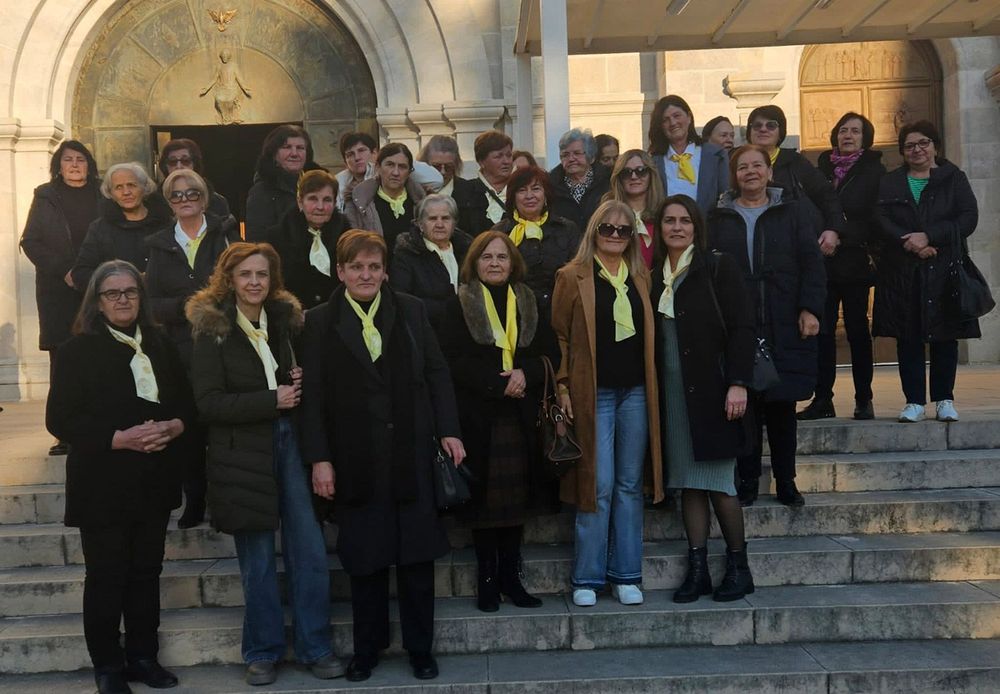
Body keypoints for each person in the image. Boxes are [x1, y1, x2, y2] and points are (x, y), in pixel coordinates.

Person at [299, 231, 465, 683]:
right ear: (341, 272)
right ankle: (366, 649)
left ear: (385, 270)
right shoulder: (318, 321)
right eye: (357, 267)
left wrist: (449, 429)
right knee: (365, 557)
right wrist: (320, 459)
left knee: (416, 557)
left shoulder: (410, 310)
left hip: (410, 451)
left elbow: (436, 371)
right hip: (354, 458)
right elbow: (311, 397)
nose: (366, 275)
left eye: (374, 266)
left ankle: (420, 648)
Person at [186, 243, 344, 686]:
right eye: (245, 275)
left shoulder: (284, 321)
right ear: (229, 279)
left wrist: (294, 381)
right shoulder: (212, 328)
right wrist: (269, 399)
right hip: (242, 451)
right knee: (256, 558)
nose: (254, 282)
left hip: (291, 441)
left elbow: (298, 383)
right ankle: (262, 651)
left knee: (309, 550)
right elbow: (208, 403)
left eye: (262, 274)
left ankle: (316, 646)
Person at [47, 260, 192, 694]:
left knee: (146, 573)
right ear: (97, 301)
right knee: (108, 576)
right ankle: (108, 666)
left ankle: (144, 657)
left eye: (130, 292)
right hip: (102, 484)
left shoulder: (162, 345)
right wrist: (117, 439)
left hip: (152, 480)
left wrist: (174, 426)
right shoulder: (75, 350)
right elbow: (60, 420)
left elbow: (186, 406)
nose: (123, 300)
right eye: (113, 294)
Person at [551, 199, 663, 608]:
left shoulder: (641, 276)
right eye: (607, 229)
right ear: (593, 231)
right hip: (591, 392)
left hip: (634, 391)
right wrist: (563, 385)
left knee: (630, 485)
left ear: (632, 237)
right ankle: (588, 575)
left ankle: (627, 573)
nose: (614, 236)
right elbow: (558, 336)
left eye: (623, 230)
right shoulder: (571, 275)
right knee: (596, 485)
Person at [708, 145, 826, 508]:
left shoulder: (792, 212)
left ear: (769, 172)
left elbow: (811, 263)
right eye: (742, 167)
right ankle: (746, 481)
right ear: (735, 175)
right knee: (745, 409)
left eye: (757, 165)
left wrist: (809, 308)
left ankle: (786, 480)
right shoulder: (718, 217)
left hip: (783, 318)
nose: (750, 172)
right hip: (738, 323)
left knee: (781, 408)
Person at [651, 195, 755, 603]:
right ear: (659, 229)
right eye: (669, 221)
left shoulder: (717, 265)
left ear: (697, 226)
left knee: (718, 484)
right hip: (674, 396)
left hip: (714, 391)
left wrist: (739, 382)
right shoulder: (653, 273)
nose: (677, 228)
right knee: (689, 486)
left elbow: (743, 326)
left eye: (685, 221)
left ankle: (738, 567)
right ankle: (697, 571)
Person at [442, 231, 548, 613]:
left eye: (502, 257)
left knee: (514, 502)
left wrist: (526, 374)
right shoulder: (459, 303)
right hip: (478, 415)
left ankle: (512, 579)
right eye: (487, 257)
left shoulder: (528, 301)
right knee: (486, 503)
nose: (494, 263)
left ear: (512, 262)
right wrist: (494, 385)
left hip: (520, 414)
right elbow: (450, 360)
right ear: (474, 262)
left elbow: (547, 353)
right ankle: (487, 581)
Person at [144, 169, 240, 529]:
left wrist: (209, 306)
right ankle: (195, 497)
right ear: (169, 203)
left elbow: (238, 284)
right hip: (180, 349)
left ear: (204, 196)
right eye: (177, 195)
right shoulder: (157, 244)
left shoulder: (225, 232)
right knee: (189, 426)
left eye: (192, 193)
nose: (185, 200)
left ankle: (226, 498)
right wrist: (190, 304)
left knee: (223, 426)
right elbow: (152, 303)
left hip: (223, 342)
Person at [874, 121, 980, 423]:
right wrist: (911, 243)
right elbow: (880, 217)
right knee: (908, 335)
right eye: (909, 145)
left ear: (935, 145)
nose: (917, 150)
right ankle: (914, 401)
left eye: (923, 143)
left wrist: (930, 236)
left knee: (946, 334)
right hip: (904, 269)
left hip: (945, 267)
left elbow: (968, 217)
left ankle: (945, 398)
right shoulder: (892, 181)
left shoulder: (953, 178)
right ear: (902, 151)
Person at [800, 112, 885, 421]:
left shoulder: (874, 171)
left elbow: (875, 217)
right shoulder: (820, 169)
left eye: (855, 131)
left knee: (856, 329)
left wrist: (840, 235)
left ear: (865, 138)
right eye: (843, 131)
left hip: (853, 262)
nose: (847, 136)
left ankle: (864, 398)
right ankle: (823, 398)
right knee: (822, 333)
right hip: (821, 263)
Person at [20, 140, 102, 456]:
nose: (74, 165)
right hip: (58, 292)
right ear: (59, 164)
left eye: (80, 159)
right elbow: (31, 241)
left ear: (89, 164)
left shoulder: (102, 193)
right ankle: (66, 433)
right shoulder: (45, 196)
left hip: (97, 289)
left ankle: (103, 422)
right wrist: (64, 270)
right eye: (68, 159)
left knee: (101, 356)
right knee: (65, 362)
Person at [491, 166, 580, 363]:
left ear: (546, 194)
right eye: (522, 190)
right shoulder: (500, 233)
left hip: (562, 319)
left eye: (536, 189)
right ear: (513, 197)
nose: (529, 196)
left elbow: (578, 274)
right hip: (516, 321)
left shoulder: (567, 229)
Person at [745, 105, 844, 258]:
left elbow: (826, 194)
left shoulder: (796, 162)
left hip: (793, 247)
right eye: (757, 125)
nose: (763, 129)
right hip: (749, 245)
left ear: (780, 133)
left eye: (771, 125)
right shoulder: (735, 161)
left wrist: (833, 229)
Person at [71, 162, 170, 290]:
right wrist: (118, 282)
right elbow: (81, 274)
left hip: (160, 303)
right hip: (117, 303)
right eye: (118, 187)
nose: (126, 192)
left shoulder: (165, 224)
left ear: (144, 188)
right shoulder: (100, 228)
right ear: (110, 193)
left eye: (132, 185)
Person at [390, 193, 472, 337]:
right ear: (420, 224)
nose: (439, 224)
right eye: (432, 218)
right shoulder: (406, 255)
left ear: (454, 223)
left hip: (467, 335)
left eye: (446, 218)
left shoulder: (468, 251)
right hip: (427, 333)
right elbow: (402, 301)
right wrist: (450, 309)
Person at [266, 169, 350, 310]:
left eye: (327, 200)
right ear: (300, 202)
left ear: (335, 202)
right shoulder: (277, 237)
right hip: (293, 319)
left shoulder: (347, 237)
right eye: (312, 199)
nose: (320, 207)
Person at [344, 142, 426, 267]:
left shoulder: (422, 203)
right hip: (376, 276)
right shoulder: (359, 202)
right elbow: (351, 247)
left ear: (409, 172)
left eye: (403, 167)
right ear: (377, 167)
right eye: (390, 165)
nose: (396, 172)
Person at [647, 95, 728, 216]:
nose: (673, 123)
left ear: (689, 117)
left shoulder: (716, 156)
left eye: (677, 116)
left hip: (708, 230)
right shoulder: (652, 162)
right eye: (665, 120)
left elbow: (726, 197)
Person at [244, 124, 320, 242]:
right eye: (287, 147)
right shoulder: (261, 192)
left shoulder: (321, 186)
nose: (294, 153)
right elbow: (257, 241)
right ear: (274, 154)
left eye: (300, 148)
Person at [605, 149, 666, 268]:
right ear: (619, 178)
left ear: (651, 175)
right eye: (626, 172)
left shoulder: (664, 213)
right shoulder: (606, 213)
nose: (634, 177)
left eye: (641, 171)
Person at [548, 128, 613, 231]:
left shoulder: (607, 181)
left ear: (591, 157)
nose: (571, 159)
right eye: (565, 155)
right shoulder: (551, 184)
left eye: (577, 153)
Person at [456, 130, 514, 236]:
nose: (506, 161)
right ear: (481, 161)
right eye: (498, 156)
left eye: (509, 155)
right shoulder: (463, 192)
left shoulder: (521, 190)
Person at [155, 138, 230, 218]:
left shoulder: (216, 201)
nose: (179, 166)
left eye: (185, 160)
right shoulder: (154, 202)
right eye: (172, 162)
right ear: (165, 166)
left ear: (195, 164)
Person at [418, 134, 471, 200]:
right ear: (425, 164)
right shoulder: (414, 191)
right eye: (436, 166)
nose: (443, 172)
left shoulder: (471, 192)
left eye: (448, 167)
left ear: (456, 164)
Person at [336, 131, 377, 211]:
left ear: (374, 153)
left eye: (361, 151)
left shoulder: (383, 179)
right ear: (345, 161)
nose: (357, 157)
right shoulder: (337, 182)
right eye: (350, 154)